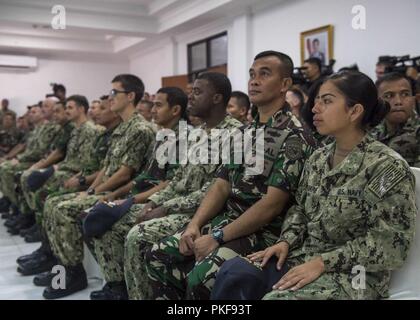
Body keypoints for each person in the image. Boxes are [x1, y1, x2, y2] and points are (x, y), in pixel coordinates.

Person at [211, 71, 416, 301]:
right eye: (317, 100)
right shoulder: (319, 158)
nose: (315, 108)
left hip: (356, 275)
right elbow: (300, 209)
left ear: (354, 111)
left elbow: (390, 245)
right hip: (305, 256)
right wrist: (286, 241)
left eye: (326, 101)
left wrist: (323, 263)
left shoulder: (386, 167)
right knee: (235, 273)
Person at [144, 51, 317, 300]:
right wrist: (194, 225)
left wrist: (216, 237)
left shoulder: (294, 136)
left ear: (285, 85)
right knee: (158, 254)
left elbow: (272, 204)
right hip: (226, 221)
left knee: (203, 275)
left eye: (264, 74)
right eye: (252, 74)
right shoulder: (244, 132)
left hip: (264, 233)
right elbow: (220, 186)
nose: (254, 81)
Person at [124, 73, 242, 300]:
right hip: (179, 206)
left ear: (217, 98)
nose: (191, 97)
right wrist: (154, 202)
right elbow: (178, 179)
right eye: (191, 92)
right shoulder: (197, 134)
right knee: (128, 220)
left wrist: (166, 208)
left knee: (138, 236)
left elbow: (214, 189)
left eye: (198, 92)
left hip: (205, 214)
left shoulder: (236, 134)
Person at [41, 74, 156, 299]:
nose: (110, 97)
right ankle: (62, 268)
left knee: (63, 209)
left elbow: (125, 173)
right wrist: (90, 189)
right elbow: (106, 167)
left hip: (124, 192)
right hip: (105, 189)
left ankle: (74, 275)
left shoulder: (140, 129)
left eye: (115, 93)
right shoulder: (122, 127)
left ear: (131, 96)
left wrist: (95, 191)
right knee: (53, 202)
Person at [89, 87, 189, 300]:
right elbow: (144, 177)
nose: (153, 110)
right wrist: (117, 194)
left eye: (158, 105)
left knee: (114, 225)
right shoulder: (163, 136)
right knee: (97, 218)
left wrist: (130, 199)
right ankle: (118, 286)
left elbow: (168, 184)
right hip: (143, 195)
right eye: (152, 105)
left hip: (163, 201)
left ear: (176, 110)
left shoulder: (183, 138)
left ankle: (130, 291)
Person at [370, 72, 420, 167]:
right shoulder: (369, 132)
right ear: (377, 102)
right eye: (389, 96)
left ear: (413, 99)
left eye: (405, 94)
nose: (398, 101)